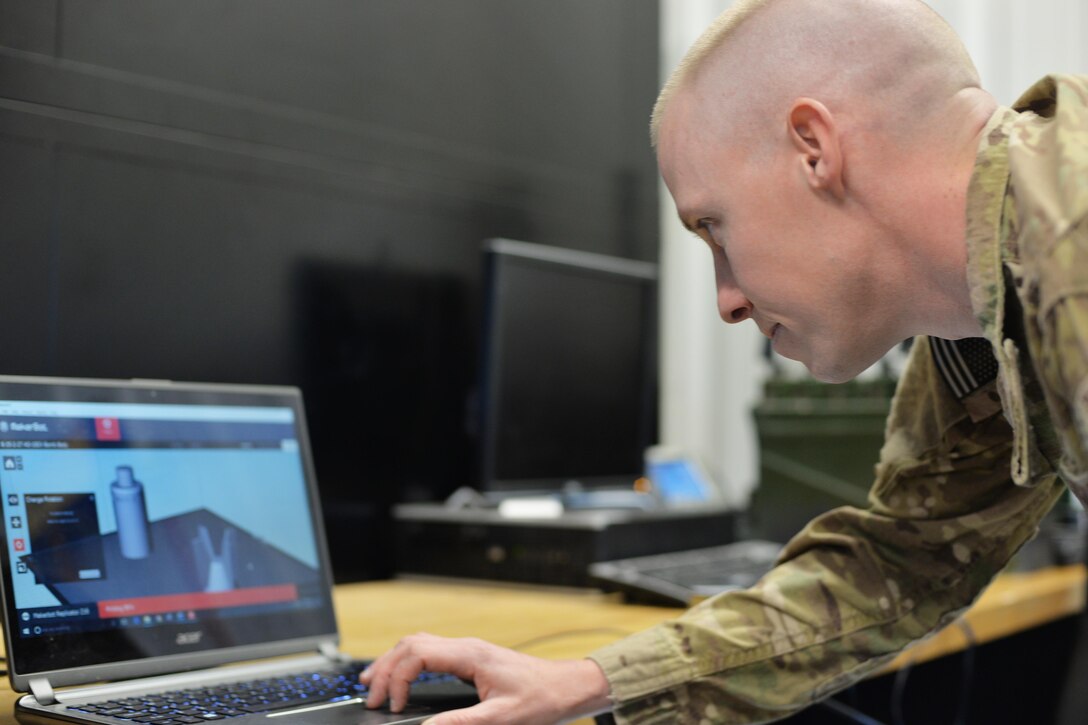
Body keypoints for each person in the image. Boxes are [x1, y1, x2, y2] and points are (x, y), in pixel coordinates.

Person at [360, 0, 1088, 721]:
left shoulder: (1073, 238)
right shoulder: (992, 316)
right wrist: (585, 679)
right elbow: (905, 560)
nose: (728, 301)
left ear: (814, 147)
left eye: (714, 227)